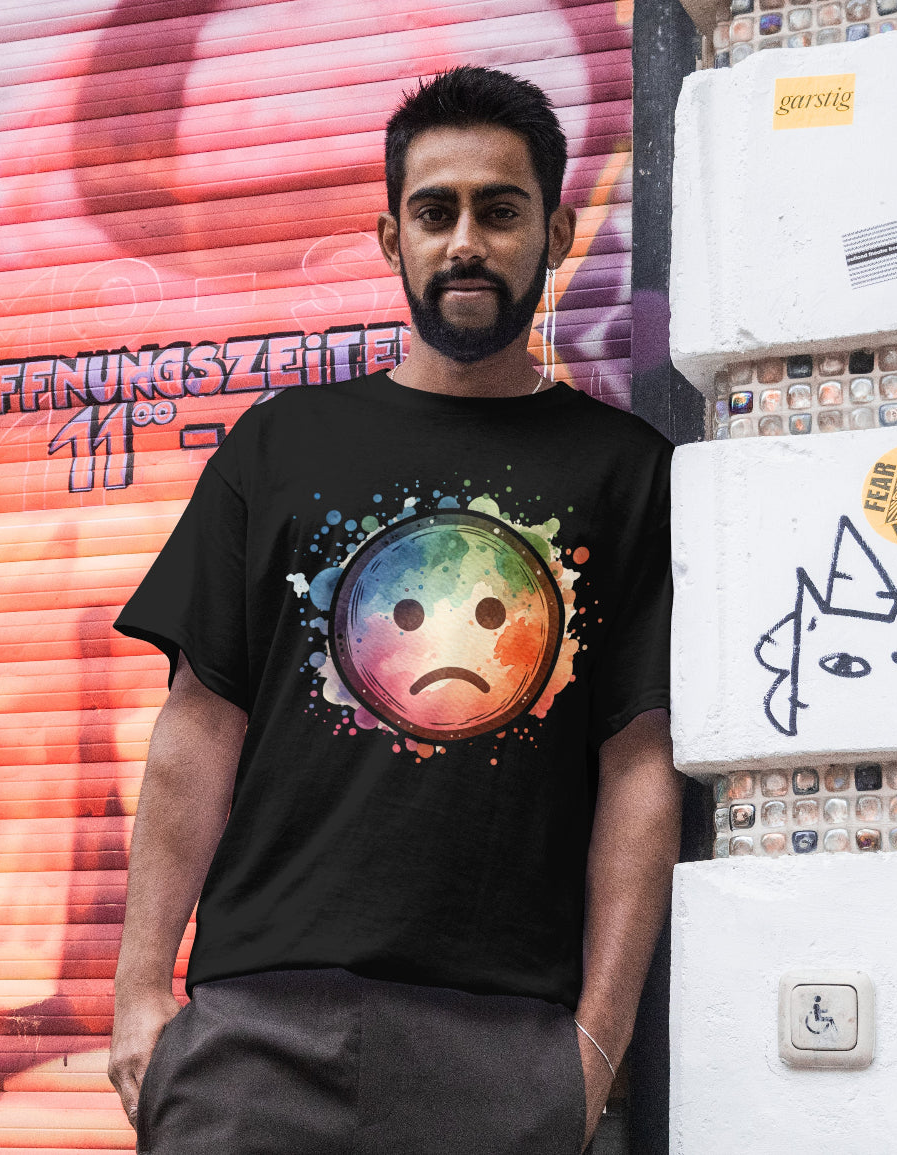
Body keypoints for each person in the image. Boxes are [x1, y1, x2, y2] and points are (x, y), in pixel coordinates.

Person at [108, 65, 681, 1155]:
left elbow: (639, 764)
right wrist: (140, 994)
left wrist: (594, 1047)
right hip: (253, 1037)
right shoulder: (280, 446)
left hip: (502, 1050)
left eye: (500, 211)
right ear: (390, 238)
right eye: (435, 212)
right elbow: (198, 725)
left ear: (557, 234)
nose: (466, 241)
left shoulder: (626, 473)